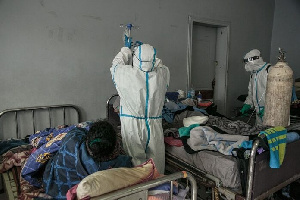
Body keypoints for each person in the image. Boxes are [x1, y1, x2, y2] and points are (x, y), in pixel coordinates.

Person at [110, 43, 170, 174]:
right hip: (154, 125)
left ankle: (140, 192)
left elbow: (115, 65)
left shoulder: (125, 74)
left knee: (136, 164)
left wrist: (127, 51)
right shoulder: (163, 74)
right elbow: (159, 63)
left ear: (135, 59)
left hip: (133, 126)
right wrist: (147, 53)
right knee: (157, 163)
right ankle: (159, 190)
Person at [42, 120, 132, 199]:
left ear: (88, 139)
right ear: (115, 146)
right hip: (73, 195)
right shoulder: (118, 165)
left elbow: (78, 130)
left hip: (51, 185)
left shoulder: (72, 140)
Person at [240, 49, 271, 125]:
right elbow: (251, 91)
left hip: (270, 112)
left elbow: (277, 93)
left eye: (249, 64)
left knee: (270, 134)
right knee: (259, 133)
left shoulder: (270, 70)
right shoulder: (253, 74)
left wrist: (268, 108)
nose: (247, 66)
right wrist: (248, 103)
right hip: (258, 111)